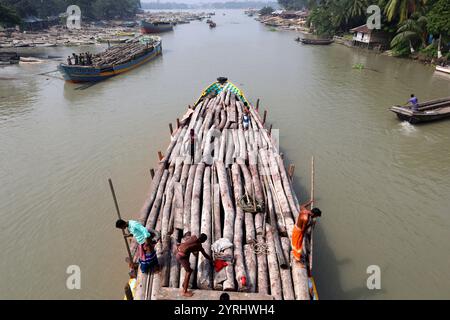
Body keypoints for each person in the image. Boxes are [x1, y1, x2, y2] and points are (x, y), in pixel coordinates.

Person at [291, 200, 322, 266]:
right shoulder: (306, 218)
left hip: (296, 227)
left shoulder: (304, 210)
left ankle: (295, 254)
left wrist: (310, 202)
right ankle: (297, 260)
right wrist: (310, 224)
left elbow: (301, 206)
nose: (315, 218)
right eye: (316, 216)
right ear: (313, 214)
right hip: (299, 231)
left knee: (295, 243)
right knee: (298, 245)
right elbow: (303, 230)